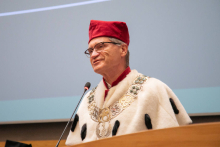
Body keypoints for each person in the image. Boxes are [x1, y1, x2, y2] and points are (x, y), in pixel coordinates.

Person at [65, 20, 192, 145]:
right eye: (90, 50)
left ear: (123, 50)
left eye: (101, 46)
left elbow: (173, 141)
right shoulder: (87, 99)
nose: (93, 54)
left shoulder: (152, 88)